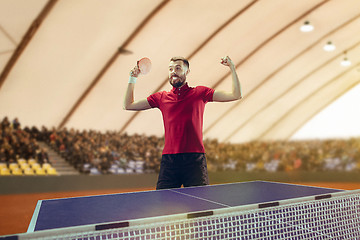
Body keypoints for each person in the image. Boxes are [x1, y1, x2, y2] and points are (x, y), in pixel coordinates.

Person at [123, 56, 242, 189]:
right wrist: (132, 78)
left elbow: (236, 94)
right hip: (169, 161)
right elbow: (128, 105)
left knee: (200, 205)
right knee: (164, 205)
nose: (173, 71)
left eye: (178, 68)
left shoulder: (200, 92)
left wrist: (232, 68)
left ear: (187, 72)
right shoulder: (161, 98)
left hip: (194, 160)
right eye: (170, 69)